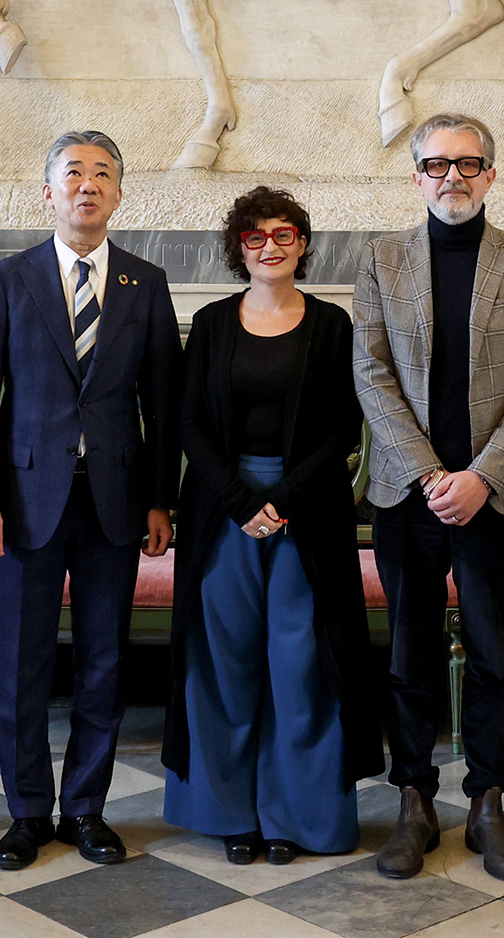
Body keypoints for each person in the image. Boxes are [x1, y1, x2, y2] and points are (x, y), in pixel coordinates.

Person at [0, 131, 180, 871]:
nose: (88, 186)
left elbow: (163, 404)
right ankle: (26, 811)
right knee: (21, 663)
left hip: (115, 502)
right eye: (73, 174)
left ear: (120, 194)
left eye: (103, 175)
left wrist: (160, 500)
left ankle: (86, 807)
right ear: (47, 192)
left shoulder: (145, 285)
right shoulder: (9, 279)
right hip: (23, 503)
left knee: (102, 661)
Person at [353, 112, 504, 883]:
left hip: (493, 495)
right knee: (407, 656)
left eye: (469, 163)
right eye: (436, 164)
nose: (453, 176)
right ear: (416, 176)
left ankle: (488, 800)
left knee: (493, 653)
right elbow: (371, 374)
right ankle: (413, 799)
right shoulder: (381, 259)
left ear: (492, 176)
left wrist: (479, 477)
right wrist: (432, 475)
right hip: (409, 495)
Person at [163, 186, 380, 864]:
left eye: (283, 235)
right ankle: (231, 816)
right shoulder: (213, 323)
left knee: (302, 665)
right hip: (221, 515)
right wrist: (237, 500)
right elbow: (189, 421)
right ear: (239, 248)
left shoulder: (331, 326)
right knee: (223, 664)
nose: (270, 247)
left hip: (305, 513)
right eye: (255, 237)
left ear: (303, 244)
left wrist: (282, 499)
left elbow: (345, 424)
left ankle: (296, 818)